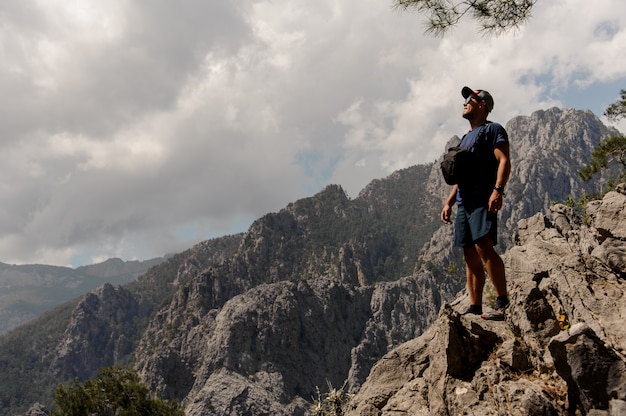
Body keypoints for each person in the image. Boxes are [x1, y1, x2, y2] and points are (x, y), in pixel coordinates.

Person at [440, 86, 511, 320]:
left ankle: (503, 303)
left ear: (483, 105)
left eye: (470, 98)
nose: (465, 102)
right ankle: (475, 306)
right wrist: (449, 203)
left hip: (482, 198)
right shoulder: (465, 138)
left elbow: (504, 160)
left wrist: (497, 190)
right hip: (464, 202)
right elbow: (461, 176)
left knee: (483, 246)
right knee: (469, 253)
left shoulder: (493, 130)